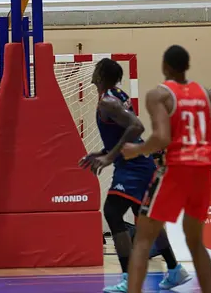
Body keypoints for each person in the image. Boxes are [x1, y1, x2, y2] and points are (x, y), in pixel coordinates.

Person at [120, 45, 211, 293]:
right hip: (202, 172)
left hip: (175, 171)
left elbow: (161, 137)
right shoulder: (204, 93)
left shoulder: (159, 94)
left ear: (165, 67)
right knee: (196, 243)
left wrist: (137, 150)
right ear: (187, 66)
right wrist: (201, 155)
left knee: (142, 241)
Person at [78, 59, 190, 292]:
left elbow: (137, 127)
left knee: (112, 211)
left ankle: (131, 278)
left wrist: (109, 158)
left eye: (96, 68)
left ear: (100, 75)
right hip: (137, 162)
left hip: (134, 166)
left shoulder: (107, 101)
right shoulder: (116, 95)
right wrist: (103, 152)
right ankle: (174, 269)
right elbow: (128, 134)